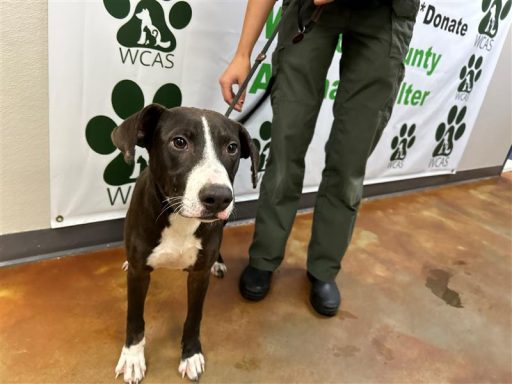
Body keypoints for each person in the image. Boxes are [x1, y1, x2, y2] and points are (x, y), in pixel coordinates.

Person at [219, 0, 419, 316]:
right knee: (287, 142)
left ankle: (324, 269)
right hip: (309, 9)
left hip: (386, 13)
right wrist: (243, 52)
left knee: (351, 157)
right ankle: (265, 257)